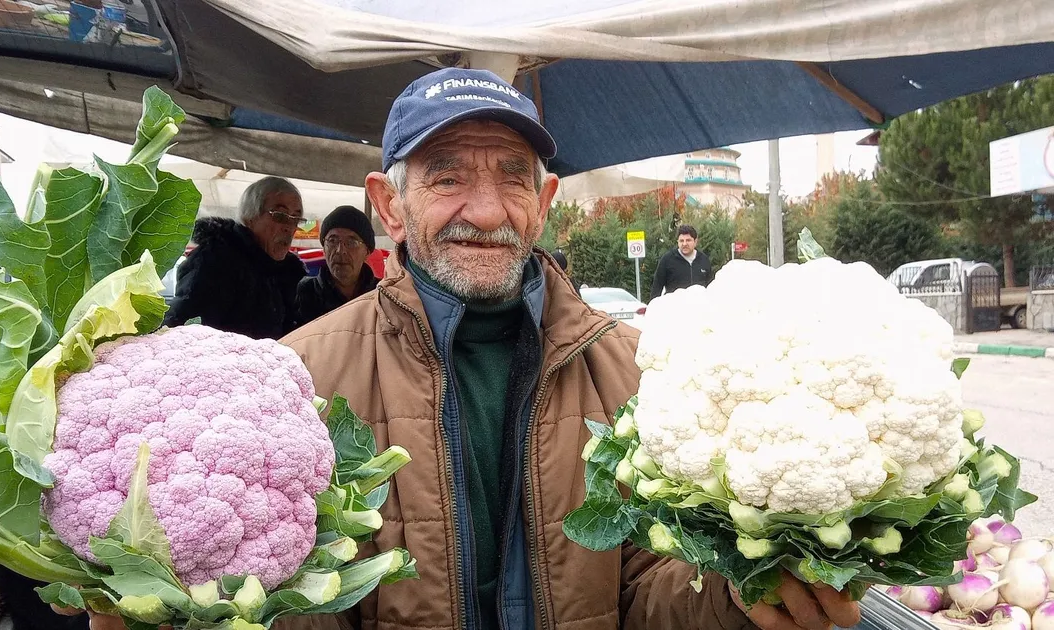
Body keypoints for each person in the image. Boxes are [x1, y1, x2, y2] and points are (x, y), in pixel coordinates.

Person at [62, 68, 861, 630]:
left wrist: (737, 603)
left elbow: (653, 591)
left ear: (544, 203)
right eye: (446, 177)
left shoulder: (645, 375)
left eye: (513, 177)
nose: (486, 208)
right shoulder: (299, 379)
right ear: (391, 205)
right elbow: (294, 599)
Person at [162, 176, 307, 339]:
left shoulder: (291, 273)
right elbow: (187, 332)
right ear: (249, 217)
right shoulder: (215, 262)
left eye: (296, 219)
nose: (290, 227)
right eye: (280, 216)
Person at [295, 205, 380, 325]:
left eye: (351, 242)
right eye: (332, 241)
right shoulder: (305, 291)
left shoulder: (381, 293)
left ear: (367, 252)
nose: (340, 250)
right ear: (324, 248)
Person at [650, 224, 712, 298]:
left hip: (698, 307)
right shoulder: (667, 260)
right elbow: (657, 288)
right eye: (681, 241)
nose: (684, 244)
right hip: (675, 308)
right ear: (677, 242)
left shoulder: (703, 260)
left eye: (688, 240)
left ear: (695, 242)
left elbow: (710, 287)